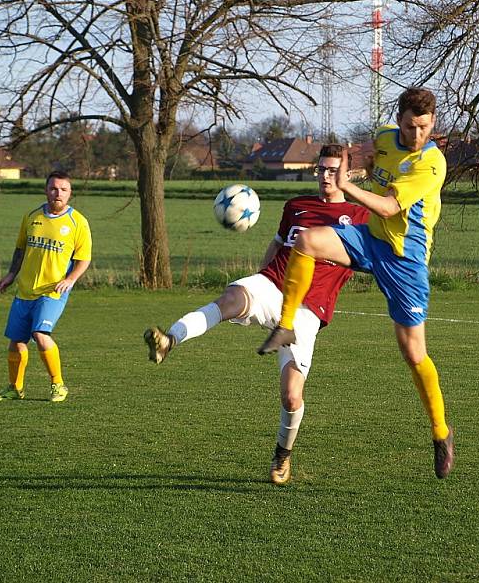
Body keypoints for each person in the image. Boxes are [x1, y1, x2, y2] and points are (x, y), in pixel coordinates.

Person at [258, 88, 455, 478]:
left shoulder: (431, 163)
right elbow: (363, 153)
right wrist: (355, 161)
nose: (417, 135)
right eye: (410, 126)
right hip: (371, 239)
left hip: (405, 260)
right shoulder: (385, 138)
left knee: (414, 354)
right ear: (398, 119)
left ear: (432, 124)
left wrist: (345, 184)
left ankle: (440, 432)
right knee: (307, 240)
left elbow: (387, 206)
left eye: (425, 127)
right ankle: (285, 325)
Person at [143, 144, 368, 485]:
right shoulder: (296, 207)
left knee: (292, 395)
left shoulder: (359, 215)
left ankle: (282, 455)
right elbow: (278, 244)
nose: (325, 176)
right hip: (273, 285)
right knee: (232, 297)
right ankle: (171, 338)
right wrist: (259, 277)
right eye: (321, 169)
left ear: (348, 175)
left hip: (307, 310)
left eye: (333, 170)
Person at [0, 171, 92, 403]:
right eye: (54, 189)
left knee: (40, 333)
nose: (58, 193)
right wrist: (10, 274)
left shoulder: (78, 222)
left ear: (70, 193)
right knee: (17, 342)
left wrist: (70, 279)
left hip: (53, 291)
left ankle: (58, 385)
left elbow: (84, 258)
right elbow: (20, 249)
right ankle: (15, 388)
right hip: (25, 290)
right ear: (46, 190)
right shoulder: (31, 217)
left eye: (63, 190)